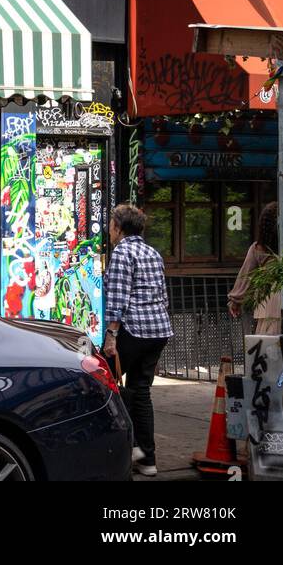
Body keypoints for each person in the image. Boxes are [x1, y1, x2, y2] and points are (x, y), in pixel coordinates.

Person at [102, 204, 173, 478]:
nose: (109, 229)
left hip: (134, 329)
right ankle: (147, 459)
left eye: (111, 224)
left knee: (103, 383)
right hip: (158, 330)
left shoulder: (122, 252)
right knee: (141, 391)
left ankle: (125, 450)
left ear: (119, 228)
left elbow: (118, 297)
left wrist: (111, 335)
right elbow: (163, 295)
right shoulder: (152, 252)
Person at [228, 202, 281, 335]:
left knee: (270, 350)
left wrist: (235, 301)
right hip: (271, 304)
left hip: (270, 304)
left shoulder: (258, 248)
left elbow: (246, 276)